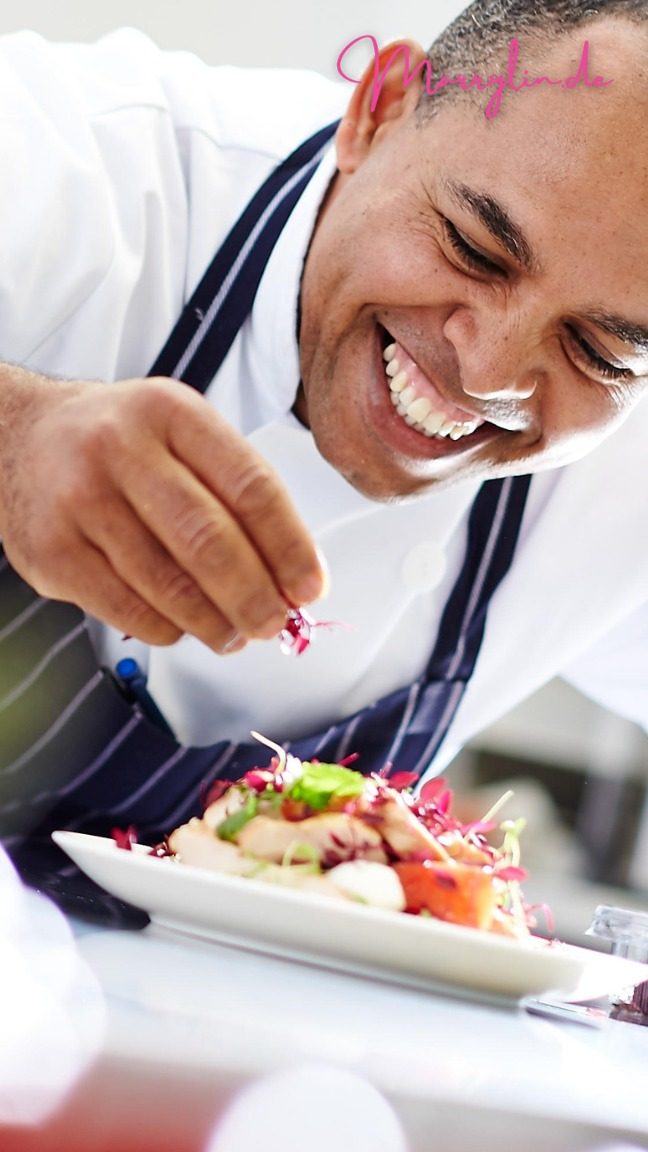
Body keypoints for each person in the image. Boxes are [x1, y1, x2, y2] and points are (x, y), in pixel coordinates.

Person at [0, 1, 647, 913]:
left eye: (596, 352)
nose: (488, 371)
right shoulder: (74, 161)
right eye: (472, 247)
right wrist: (13, 436)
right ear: (377, 111)